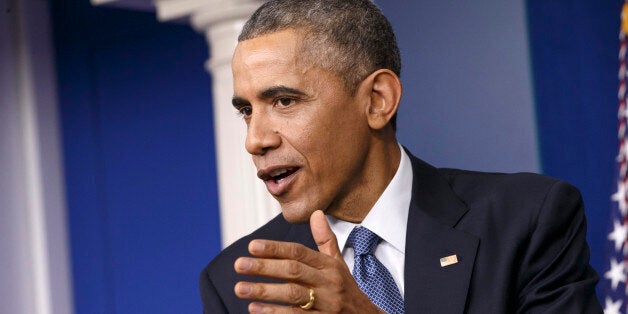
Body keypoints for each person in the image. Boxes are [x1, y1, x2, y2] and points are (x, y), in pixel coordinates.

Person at [199, 0, 602, 312]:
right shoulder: (237, 284)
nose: (255, 140)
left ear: (378, 100)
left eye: (284, 101)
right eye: (246, 111)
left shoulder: (526, 219)